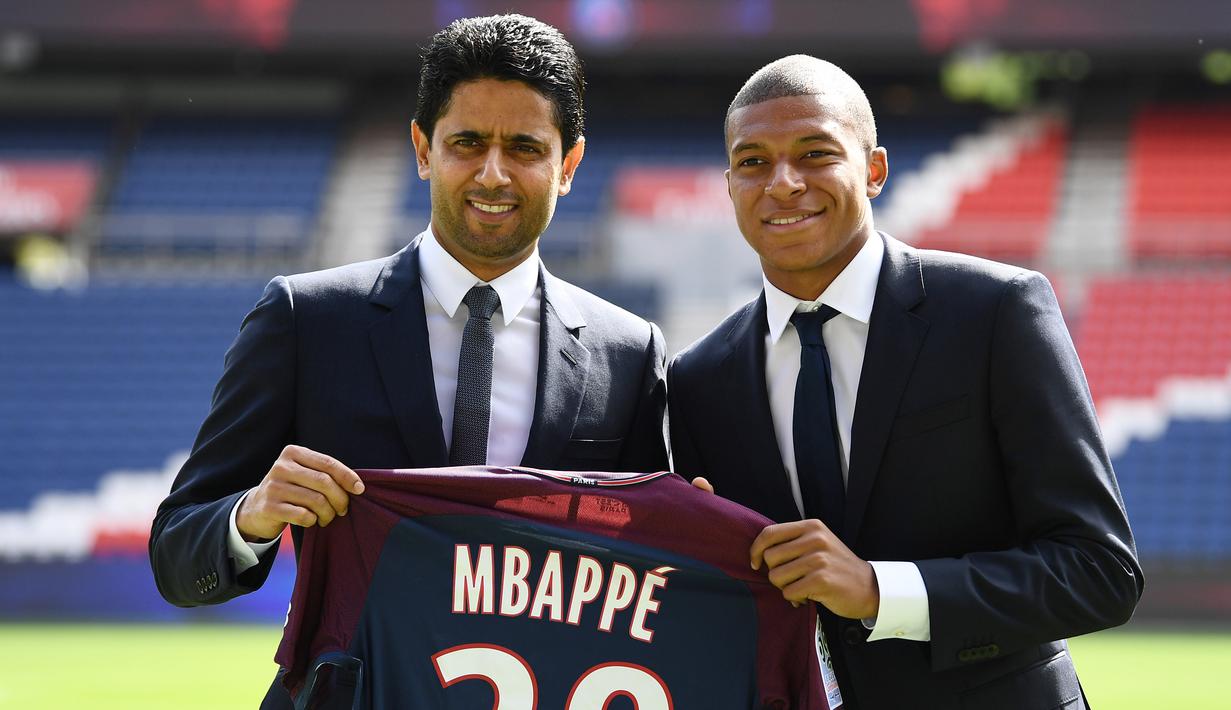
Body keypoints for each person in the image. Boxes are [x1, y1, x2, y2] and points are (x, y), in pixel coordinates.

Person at [149, 13, 668, 706]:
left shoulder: (627, 352)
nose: (492, 173)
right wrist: (251, 514)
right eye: (466, 143)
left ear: (568, 165)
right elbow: (177, 554)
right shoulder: (307, 320)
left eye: (523, 147)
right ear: (423, 150)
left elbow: (648, 566)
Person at [668, 54, 1142, 709]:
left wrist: (878, 590)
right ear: (729, 186)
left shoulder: (995, 310)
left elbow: (1098, 571)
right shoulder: (698, 378)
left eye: (814, 153)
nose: (781, 183)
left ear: (874, 170)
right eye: (753, 162)